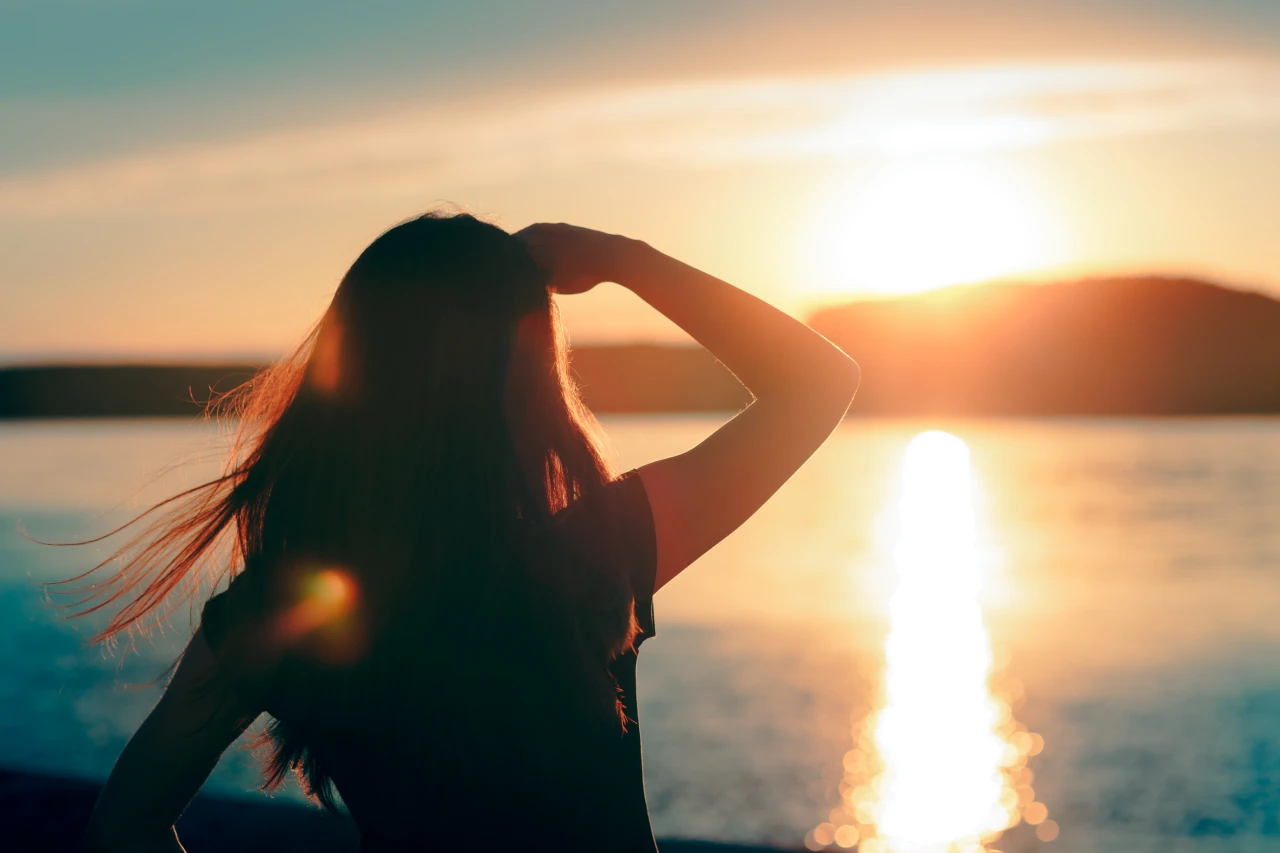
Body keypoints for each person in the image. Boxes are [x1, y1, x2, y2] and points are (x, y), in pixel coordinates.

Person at [74, 212, 859, 852]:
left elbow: (124, 824)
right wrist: (623, 258)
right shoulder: (588, 554)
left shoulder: (275, 613)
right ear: (524, 387)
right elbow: (819, 381)